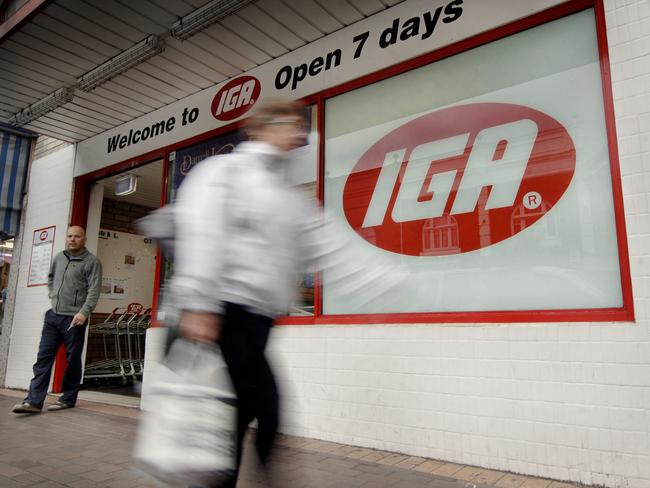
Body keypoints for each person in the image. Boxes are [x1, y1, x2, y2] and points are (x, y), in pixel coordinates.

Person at [172, 98, 401, 487]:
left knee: (239, 414)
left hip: (259, 321)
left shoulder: (288, 197)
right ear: (259, 128)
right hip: (225, 313)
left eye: (300, 126)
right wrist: (199, 302)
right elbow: (203, 231)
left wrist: (384, 281)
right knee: (268, 409)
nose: (297, 133)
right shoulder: (226, 172)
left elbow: (327, 245)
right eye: (287, 123)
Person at [12, 226, 102, 414]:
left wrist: (84, 312)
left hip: (74, 318)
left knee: (72, 360)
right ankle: (34, 402)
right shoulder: (59, 258)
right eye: (69, 236)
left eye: (77, 236)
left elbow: (94, 290)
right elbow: (51, 277)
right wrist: (53, 295)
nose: (72, 239)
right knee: (43, 359)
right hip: (53, 316)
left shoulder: (91, 262)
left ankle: (67, 398)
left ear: (84, 239)